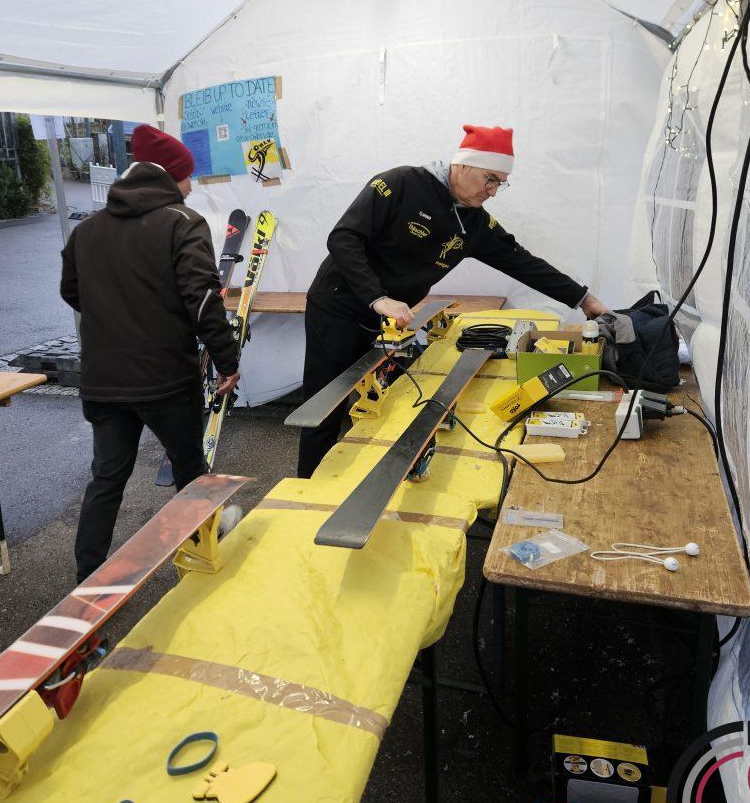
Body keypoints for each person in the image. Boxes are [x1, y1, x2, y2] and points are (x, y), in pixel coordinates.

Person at [297, 124, 609, 478]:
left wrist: (583, 298)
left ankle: (350, 481)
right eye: (490, 179)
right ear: (462, 165)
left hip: (388, 319)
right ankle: (306, 487)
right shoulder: (400, 184)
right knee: (325, 406)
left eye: (500, 184)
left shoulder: (474, 223)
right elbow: (343, 238)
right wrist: (378, 298)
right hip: (338, 308)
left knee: (376, 405)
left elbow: (521, 261)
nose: (493, 191)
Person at [60, 124, 239, 582]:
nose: (192, 186)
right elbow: (203, 299)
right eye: (188, 176)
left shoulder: (87, 231)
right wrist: (227, 359)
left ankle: (87, 578)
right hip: (165, 379)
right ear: (171, 177)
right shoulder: (183, 222)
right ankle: (202, 550)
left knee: (107, 478)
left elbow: (72, 293)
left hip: (103, 379)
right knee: (190, 469)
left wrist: (117, 312)